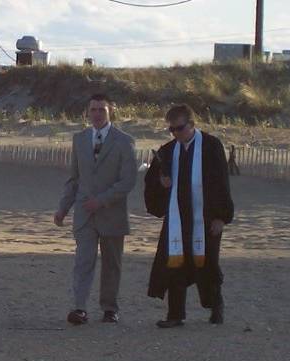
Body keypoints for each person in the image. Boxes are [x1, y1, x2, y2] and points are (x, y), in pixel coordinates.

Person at [144, 104, 234, 328]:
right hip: (177, 219)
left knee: (208, 262)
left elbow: (222, 183)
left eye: (179, 128)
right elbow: (151, 184)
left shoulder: (211, 147)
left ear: (192, 125)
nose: (175, 133)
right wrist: (161, 184)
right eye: (171, 129)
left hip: (205, 218)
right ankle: (175, 314)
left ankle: (216, 306)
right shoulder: (166, 151)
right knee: (174, 263)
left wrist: (221, 218)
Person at [54, 93, 137, 325]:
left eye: (102, 109)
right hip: (84, 214)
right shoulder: (80, 139)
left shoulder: (124, 141)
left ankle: (110, 308)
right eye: (94, 110)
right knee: (83, 261)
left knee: (112, 264)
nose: (97, 114)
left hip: (112, 212)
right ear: (88, 112)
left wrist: (102, 200)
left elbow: (128, 181)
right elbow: (74, 178)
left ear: (110, 111)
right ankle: (79, 308)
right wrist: (63, 208)